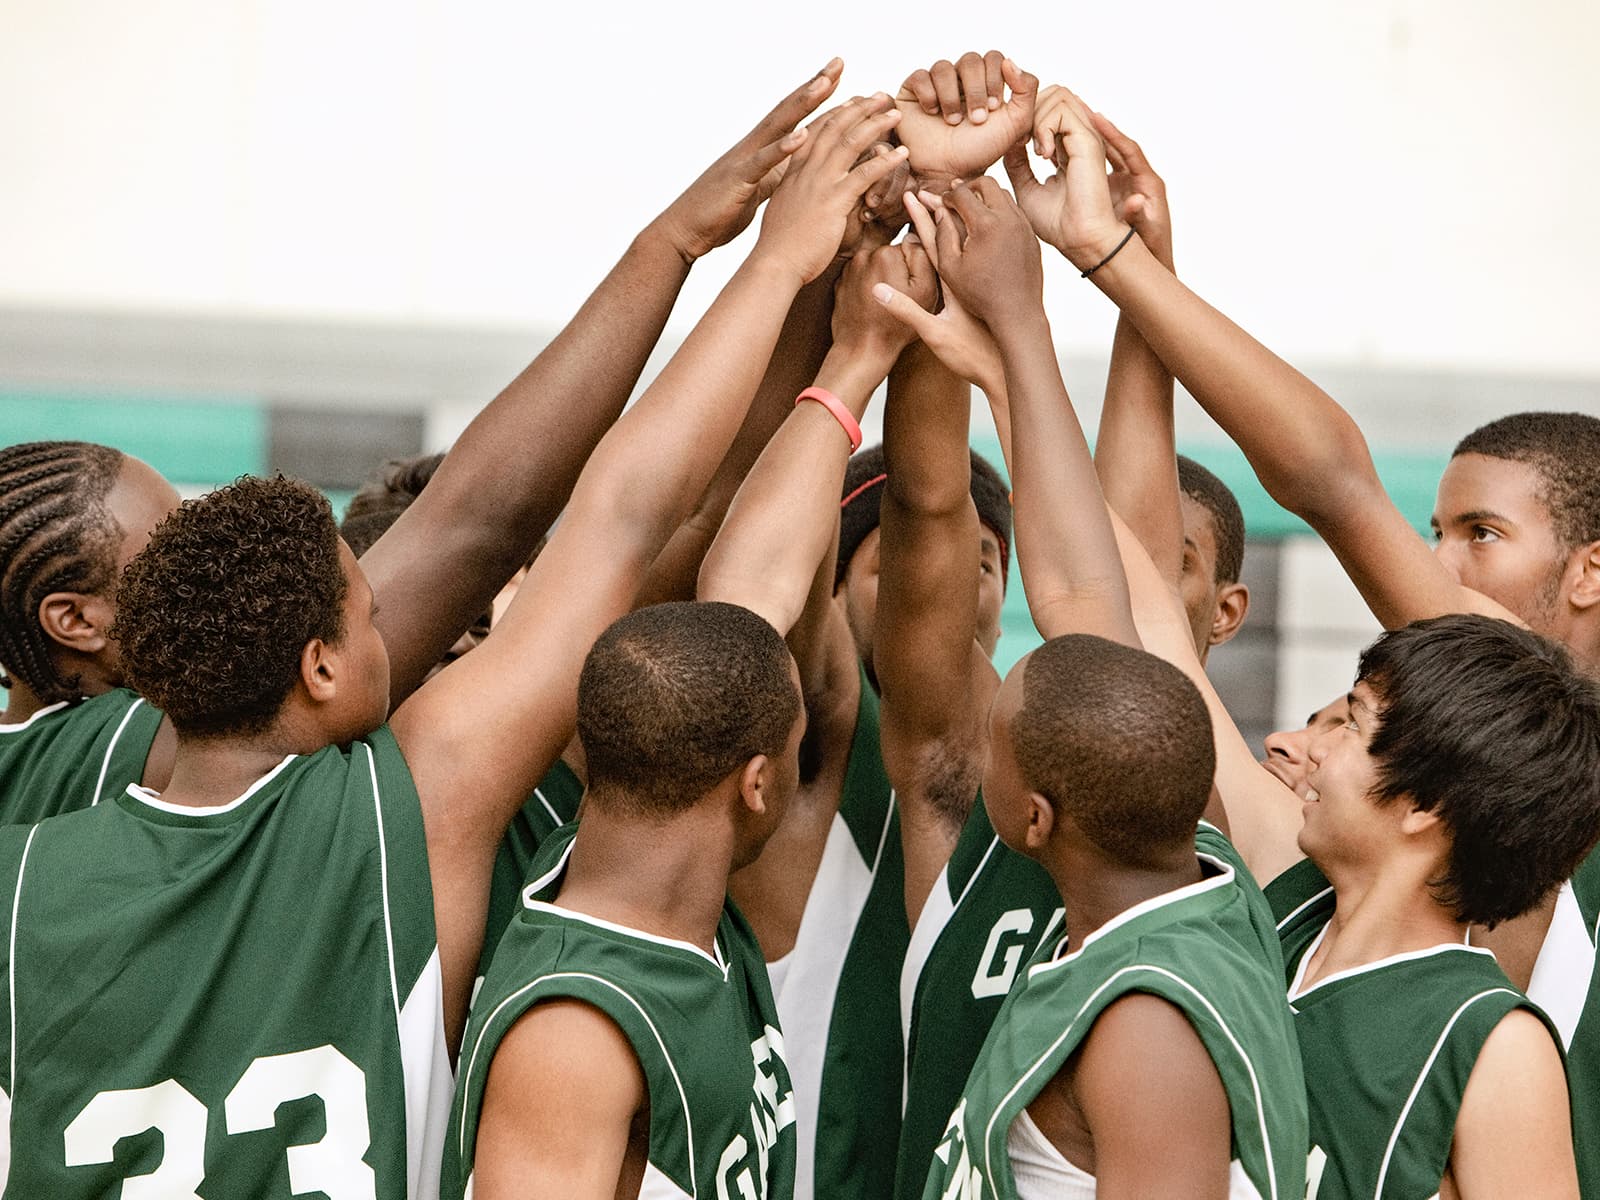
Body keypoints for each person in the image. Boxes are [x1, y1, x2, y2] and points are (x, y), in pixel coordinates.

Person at [0, 75, 908, 1198]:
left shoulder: (25, 871)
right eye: (373, 613)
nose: (406, 623)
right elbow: (617, 516)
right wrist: (766, 263)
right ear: (319, 666)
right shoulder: (408, 810)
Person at [1007, 82, 1599, 1198]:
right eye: (1436, 534)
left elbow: (1336, 487)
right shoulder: (1282, 911)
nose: (1437, 567)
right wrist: (1032, 326)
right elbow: (1131, 616)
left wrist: (1114, 265)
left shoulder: (1495, 949)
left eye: (1478, 534)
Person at [0, 56, 851, 825]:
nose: (204, 565)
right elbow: (483, 520)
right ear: (75, 620)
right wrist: (686, 247)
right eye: (164, 552)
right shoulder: (112, 763)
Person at [447, 234, 935, 1199]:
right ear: (755, 783)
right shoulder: (578, 1031)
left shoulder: (671, 895)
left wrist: (857, 348)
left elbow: (751, 582)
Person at [890, 171, 1305, 1198]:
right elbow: (1088, 595)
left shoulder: (1147, 1018)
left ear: (1035, 815)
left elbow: (1101, 594)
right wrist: (1016, 347)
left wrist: (1026, 328)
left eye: (999, 739)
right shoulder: (1203, 875)